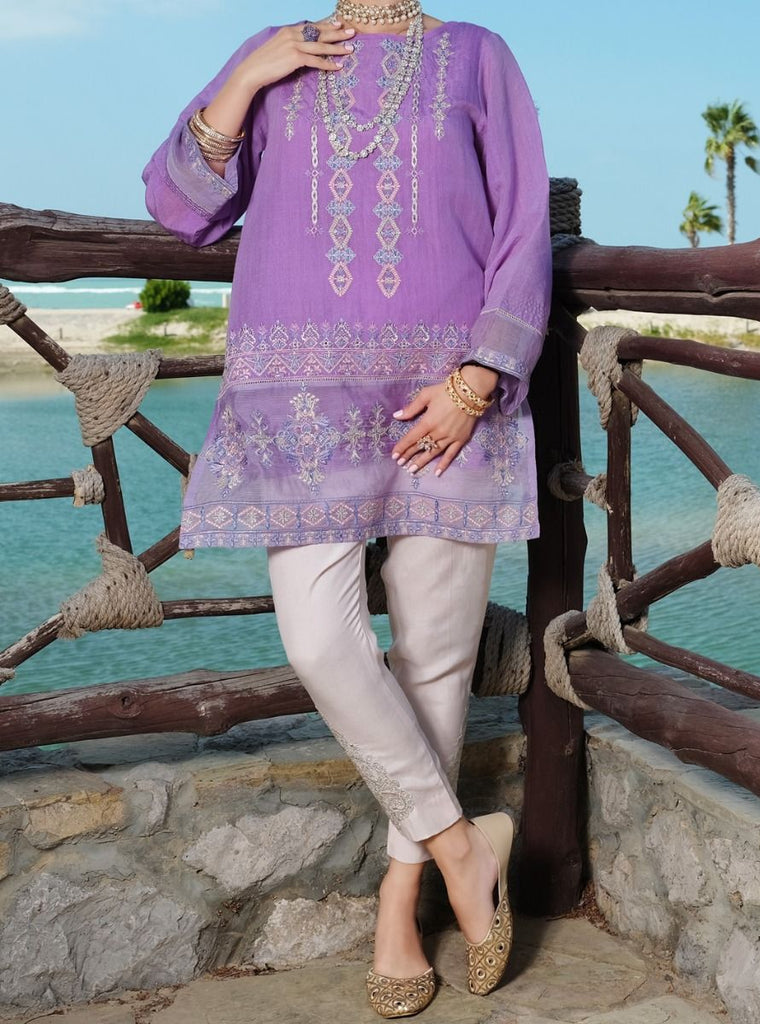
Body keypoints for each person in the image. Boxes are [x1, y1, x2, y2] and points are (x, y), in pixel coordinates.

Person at [142, 1, 551, 1016]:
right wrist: (248, 78)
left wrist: (478, 380)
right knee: (320, 640)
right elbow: (181, 208)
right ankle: (465, 846)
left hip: (447, 400)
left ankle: (399, 905)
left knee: (435, 658)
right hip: (301, 403)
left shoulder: (478, 56)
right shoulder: (275, 52)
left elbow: (523, 225)